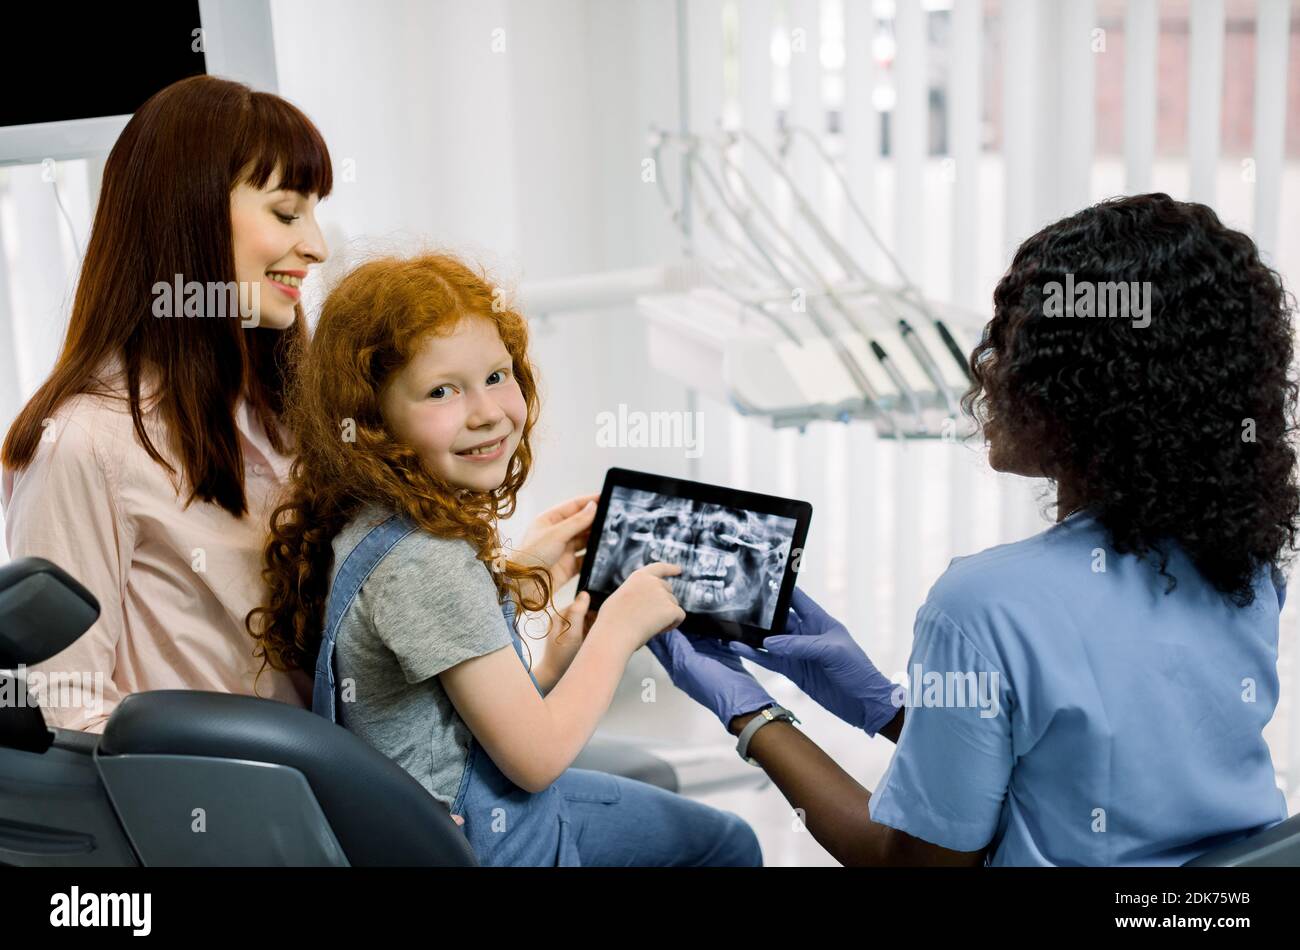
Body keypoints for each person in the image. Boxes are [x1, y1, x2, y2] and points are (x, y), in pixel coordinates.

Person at [651, 193, 1297, 866]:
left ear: (1088, 390)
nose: (986, 365)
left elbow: (910, 865)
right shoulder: (1242, 567)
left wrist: (752, 716)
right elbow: (1065, 774)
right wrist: (883, 705)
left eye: (1013, 342)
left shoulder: (986, 604)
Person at [248, 251, 763, 866]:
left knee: (720, 841)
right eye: (442, 391)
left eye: (497, 376)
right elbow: (537, 759)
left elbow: (452, 723)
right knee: (727, 848)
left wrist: (537, 629)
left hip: (441, 826)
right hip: (488, 848)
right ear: (371, 419)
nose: (487, 411)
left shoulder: (368, 523)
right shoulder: (430, 564)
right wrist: (619, 631)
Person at [1, 75, 332, 731]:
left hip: (334, 793)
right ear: (194, 214)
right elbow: (65, 719)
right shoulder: (86, 444)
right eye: (288, 213)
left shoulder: (284, 417)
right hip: (230, 819)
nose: (316, 245)